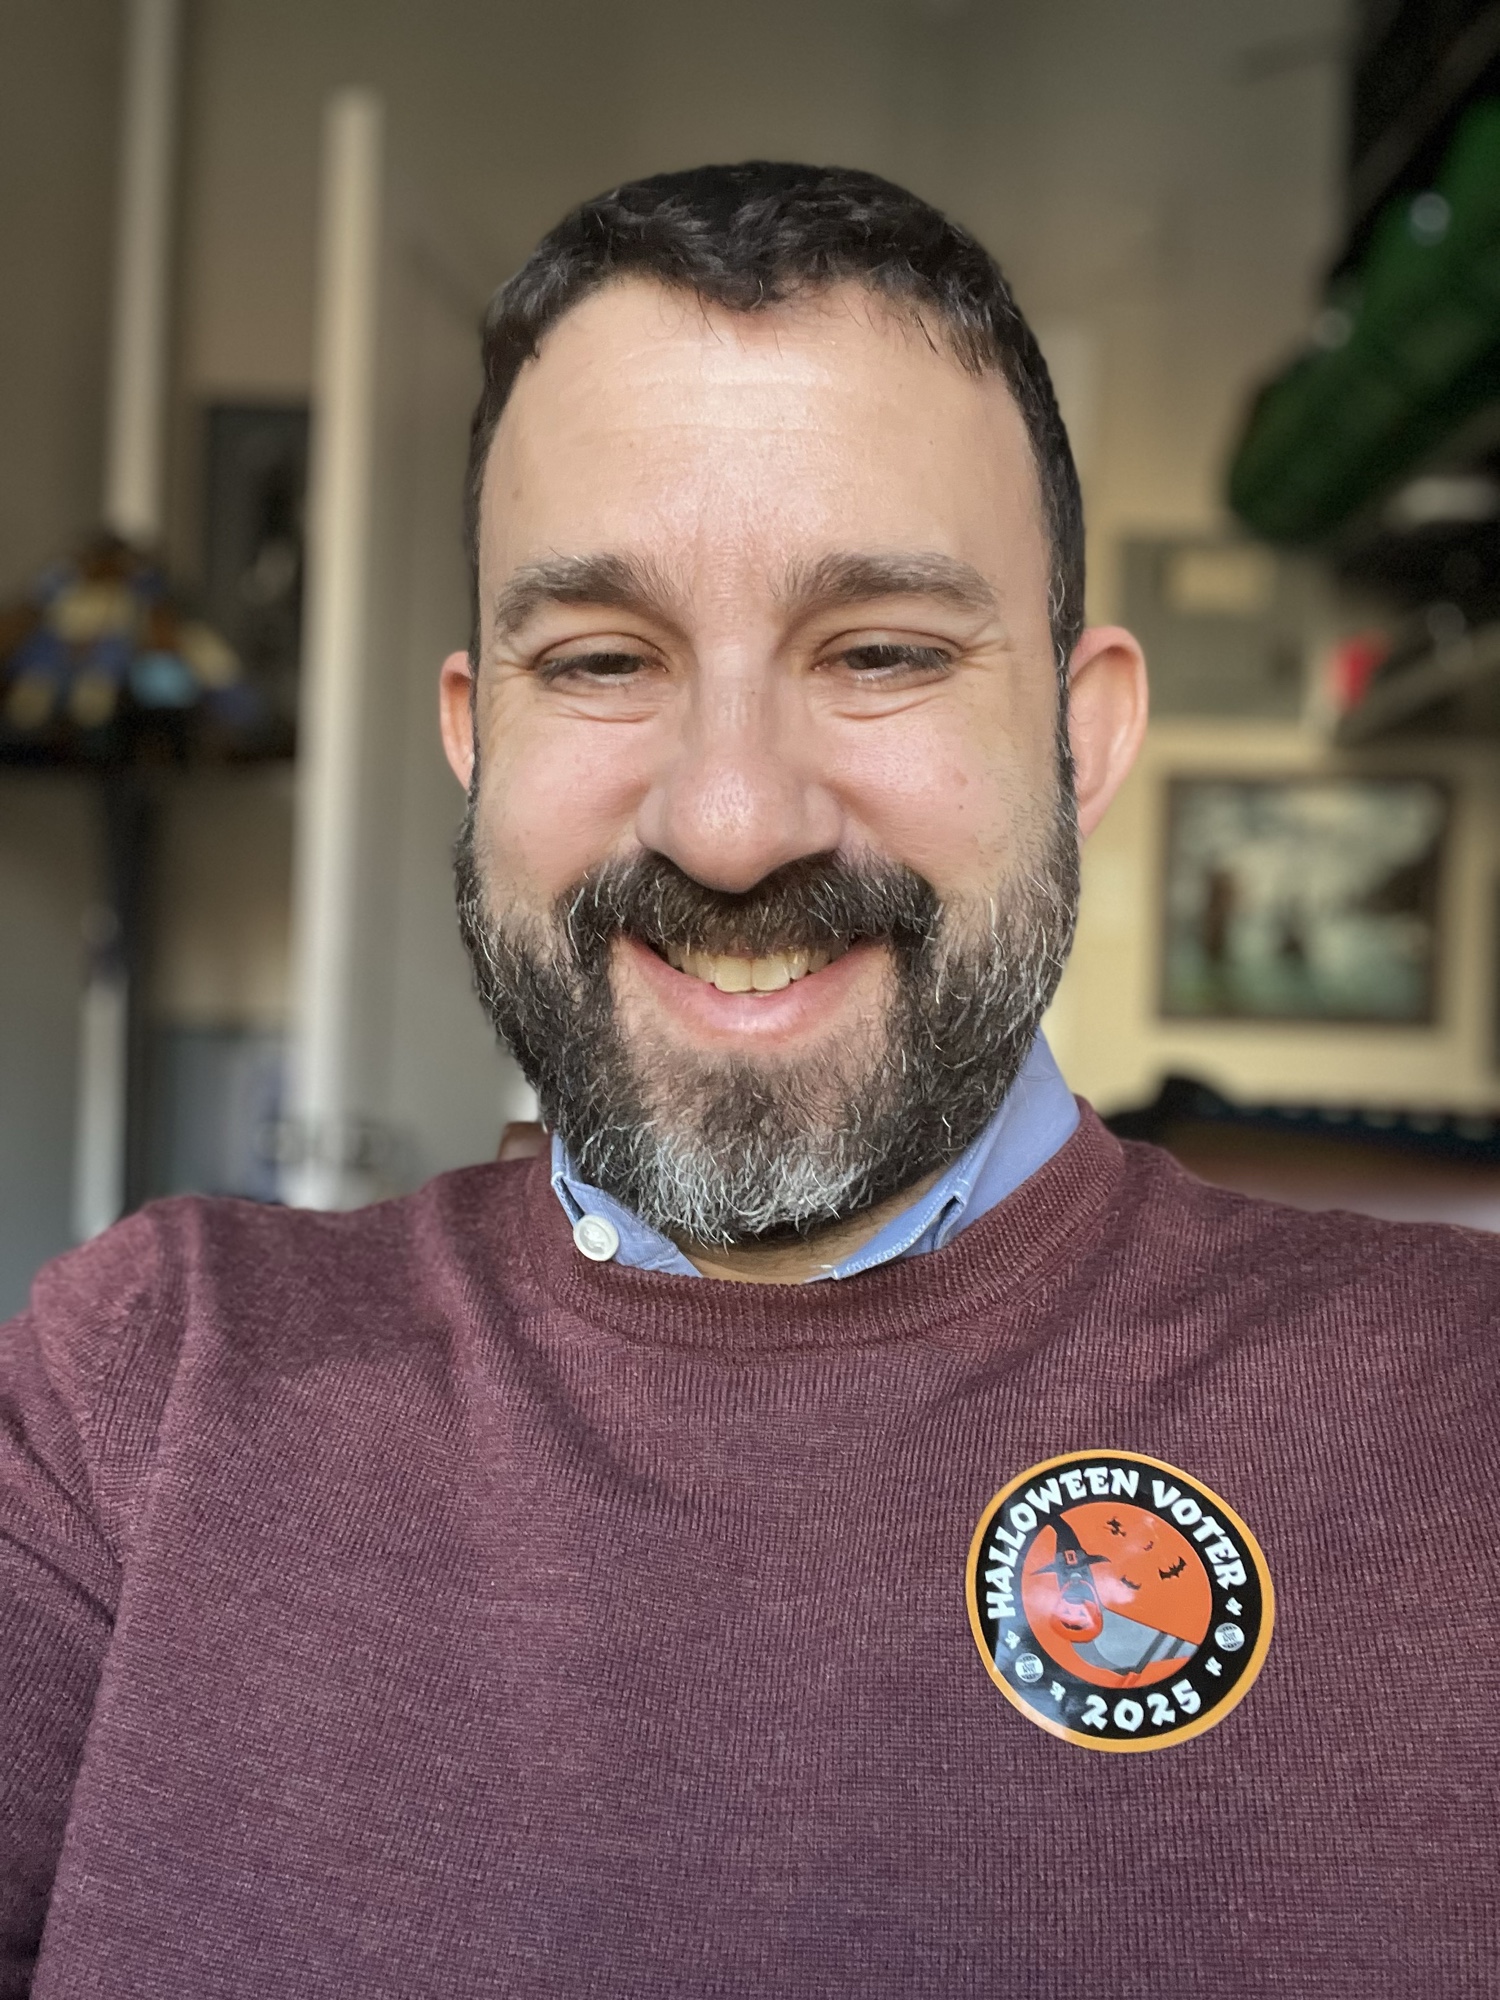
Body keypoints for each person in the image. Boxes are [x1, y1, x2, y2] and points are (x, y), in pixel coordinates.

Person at [2, 162, 1496, 2000]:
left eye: (878, 653)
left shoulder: (1466, 1417)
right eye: (601, 660)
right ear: (477, 744)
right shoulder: (143, 1387)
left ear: (1080, 737)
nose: (728, 821)